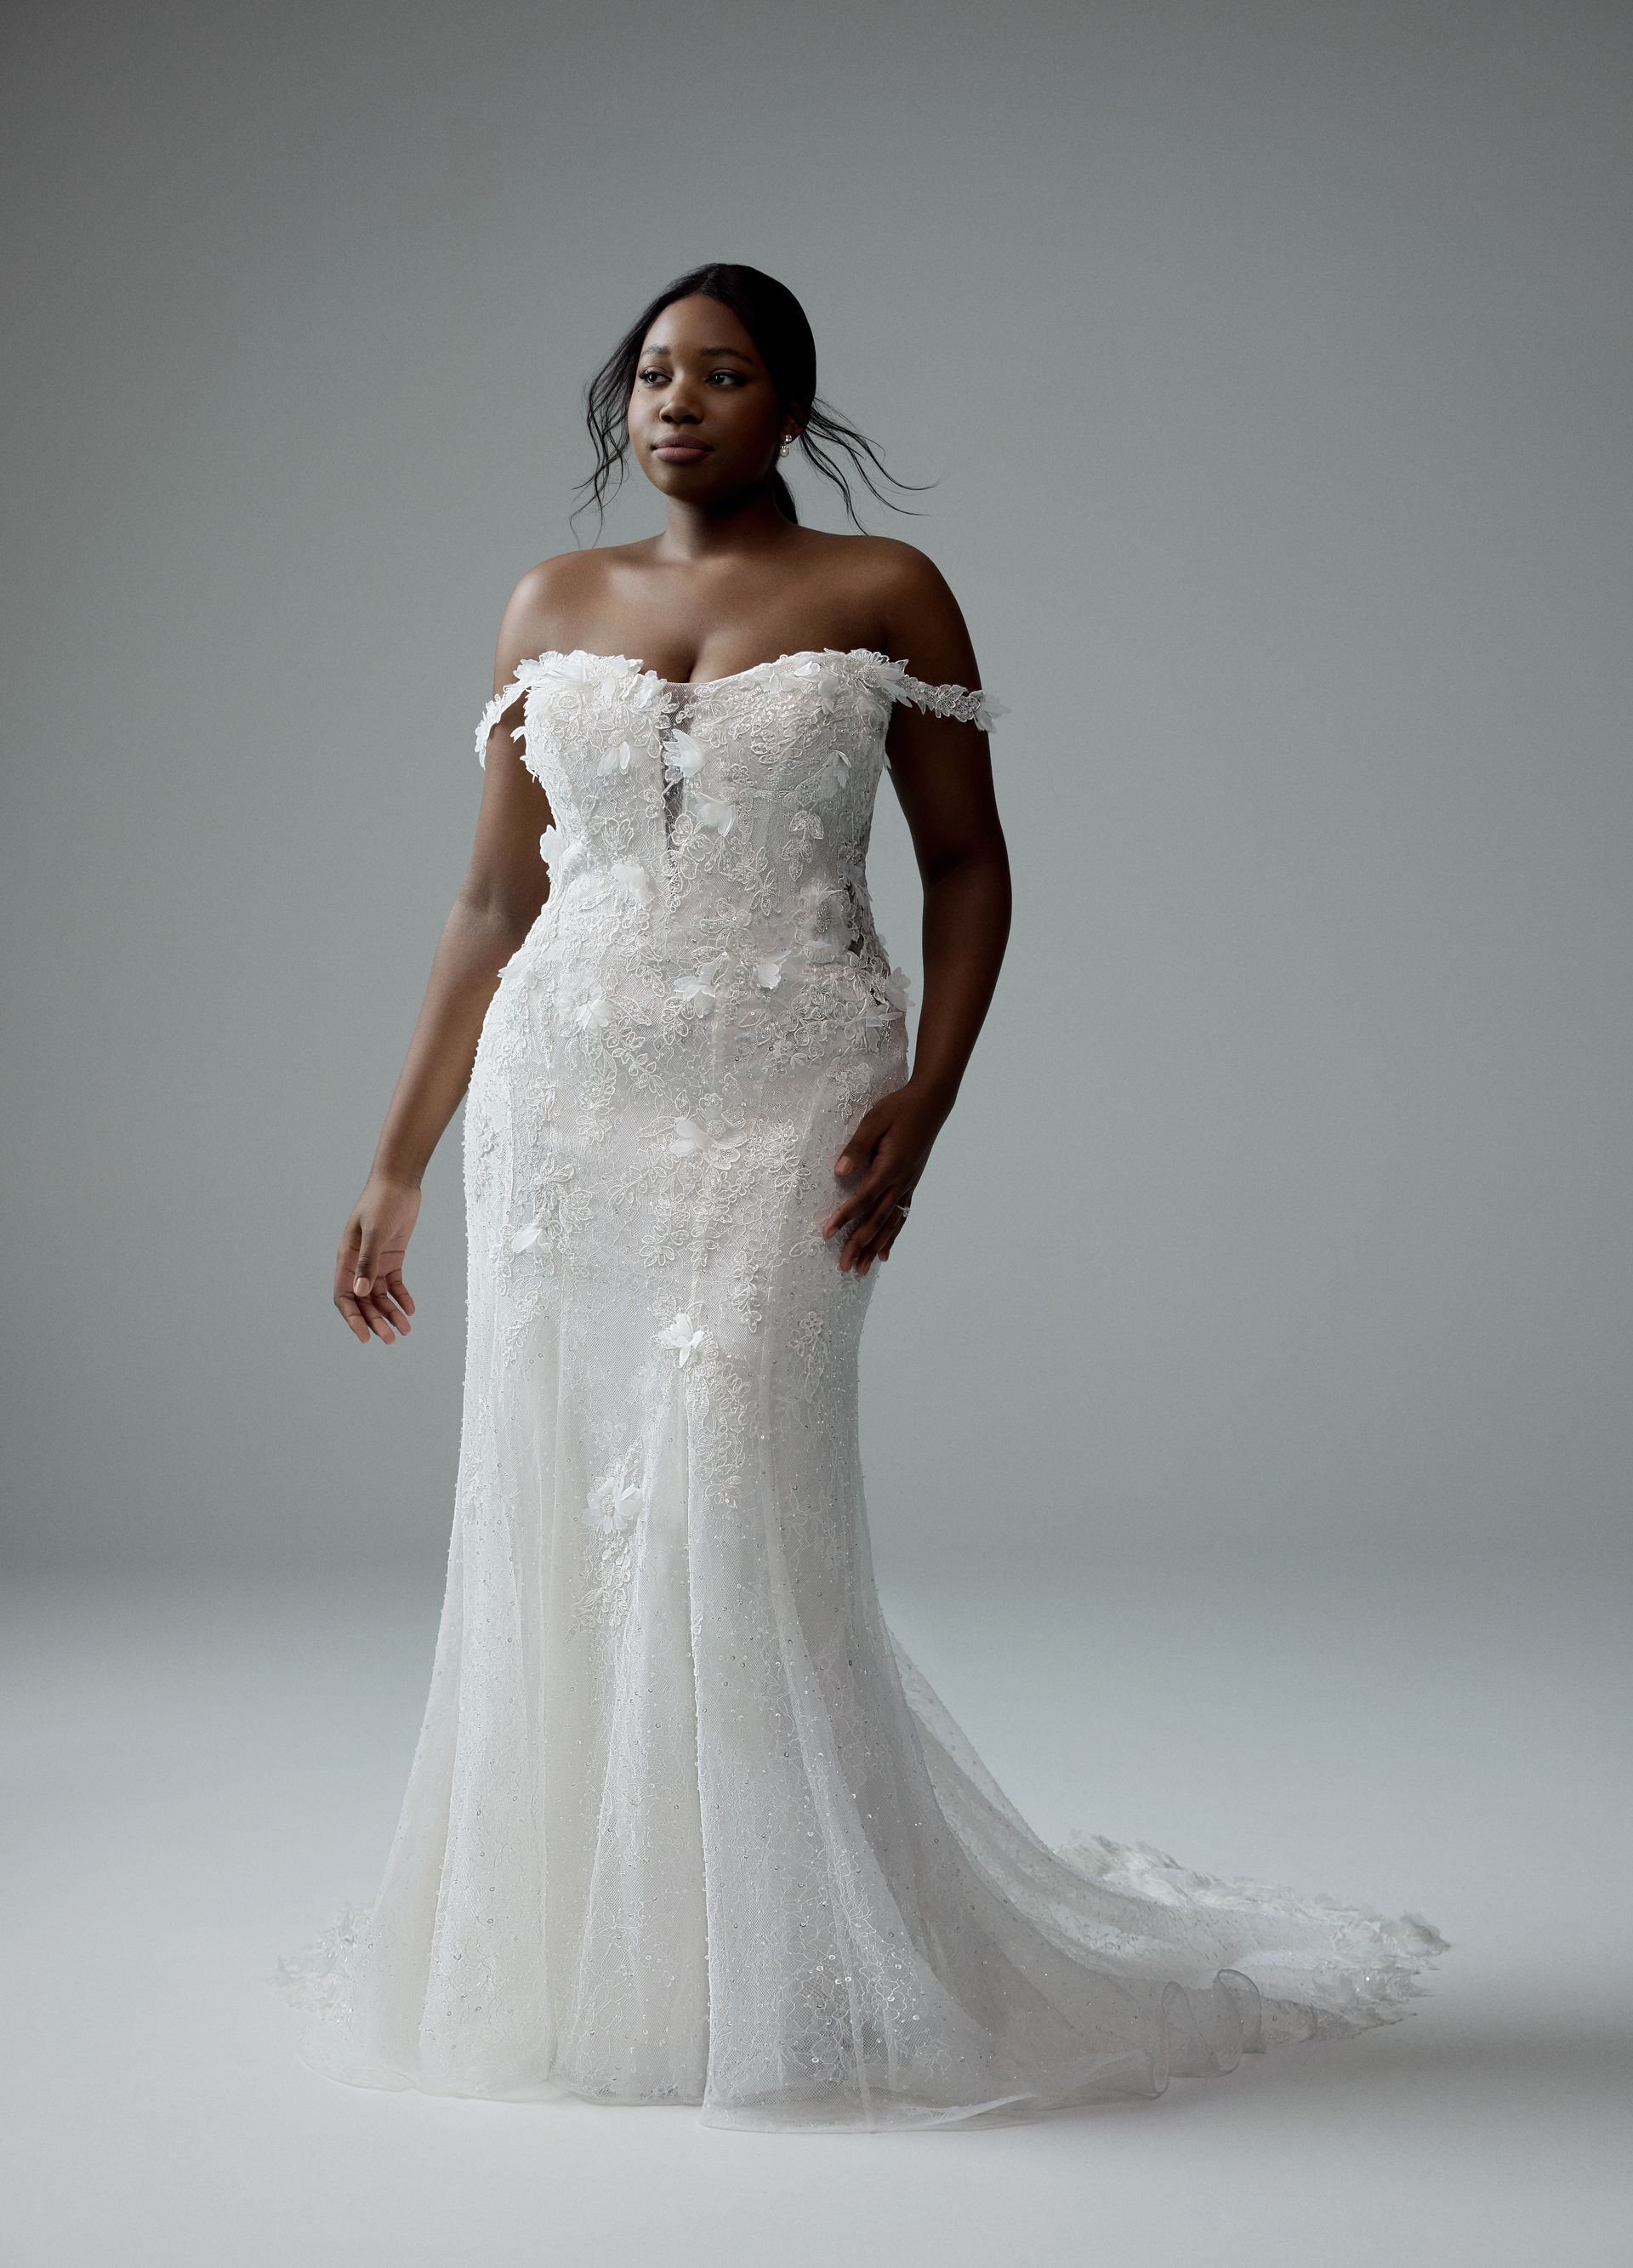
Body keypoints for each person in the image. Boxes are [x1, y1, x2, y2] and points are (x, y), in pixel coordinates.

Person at [280, 262, 1447, 2132]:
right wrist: (396, 1155)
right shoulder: (547, 602)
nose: (679, 402)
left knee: (738, 1480)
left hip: (791, 1091)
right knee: (565, 1494)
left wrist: (933, 1095)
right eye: (654, 374)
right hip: (565, 1104)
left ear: (792, 407)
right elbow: (494, 900)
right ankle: (604, 1968)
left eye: (725, 373)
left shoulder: (884, 589)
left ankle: (800, 1963)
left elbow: (968, 862)